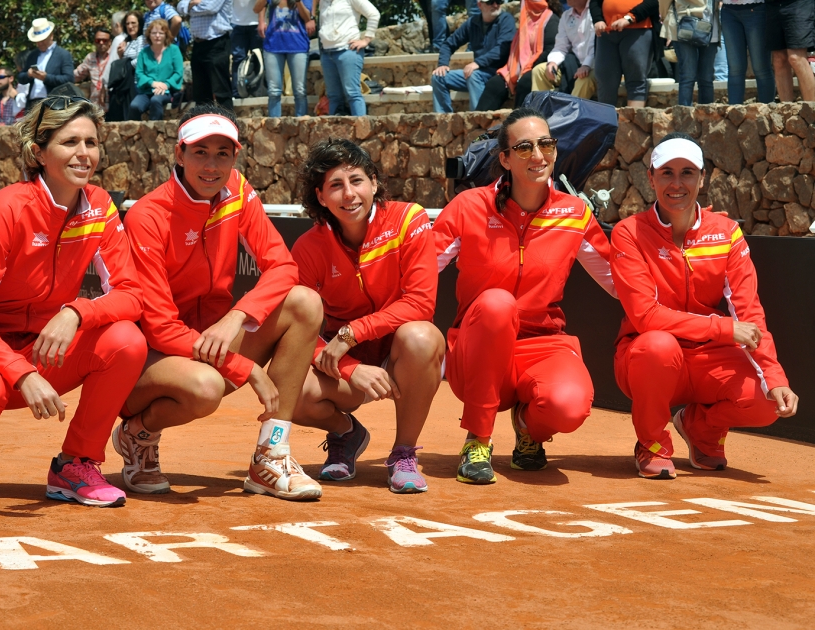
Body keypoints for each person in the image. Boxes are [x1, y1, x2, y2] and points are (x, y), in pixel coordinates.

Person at [0, 96, 147, 509]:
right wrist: (21, 373)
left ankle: (76, 464)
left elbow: (131, 294)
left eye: (91, 143)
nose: (84, 154)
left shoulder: (100, 207)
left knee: (126, 341)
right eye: (70, 142)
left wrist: (77, 311)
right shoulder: (6, 208)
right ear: (39, 152)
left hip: (37, 345)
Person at [118, 103, 324, 500]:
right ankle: (137, 435)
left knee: (304, 303)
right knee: (205, 387)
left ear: (235, 156)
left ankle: (271, 454)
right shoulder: (147, 215)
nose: (211, 166)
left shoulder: (239, 191)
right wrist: (246, 368)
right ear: (179, 154)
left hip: (212, 339)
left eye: (222, 154)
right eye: (200, 152)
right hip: (154, 358)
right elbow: (159, 327)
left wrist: (238, 316)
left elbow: (282, 266)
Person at [432, 108, 614, 483]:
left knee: (570, 406)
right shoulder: (468, 207)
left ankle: (529, 429)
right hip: (478, 349)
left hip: (543, 345)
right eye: (525, 147)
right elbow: (419, 270)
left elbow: (620, 281)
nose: (538, 155)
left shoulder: (575, 213)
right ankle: (477, 439)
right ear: (504, 159)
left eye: (546, 144)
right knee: (497, 303)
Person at [610, 133, 798, 479]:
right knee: (657, 344)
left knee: (767, 402)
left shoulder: (727, 233)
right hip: (651, 358)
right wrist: (723, 328)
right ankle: (651, 443)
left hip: (711, 358)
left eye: (687, 173)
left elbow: (749, 313)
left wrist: (774, 376)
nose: (677, 183)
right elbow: (645, 315)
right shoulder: (628, 232)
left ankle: (701, 428)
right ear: (650, 177)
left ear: (702, 177)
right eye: (666, 173)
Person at [291, 139, 444, 494]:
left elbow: (421, 302)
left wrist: (352, 333)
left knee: (422, 336)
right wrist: (348, 367)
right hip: (346, 362)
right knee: (289, 389)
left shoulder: (410, 218)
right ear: (320, 196)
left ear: (374, 183)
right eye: (335, 185)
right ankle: (345, 433)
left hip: (400, 353)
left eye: (357, 180)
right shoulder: (308, 247)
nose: (349, 194)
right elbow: (295, 329)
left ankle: (404, 454)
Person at [431, 0, 516, 113]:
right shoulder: (473, 22)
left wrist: (478, 63)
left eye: (498, 1)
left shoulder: (506, 20)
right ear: (479, 5)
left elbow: (502, 48)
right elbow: (448, 44)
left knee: (474, 76)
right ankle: (443, 120)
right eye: (490, 2)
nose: (495, 5)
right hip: (479, 72)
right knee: (438, 77)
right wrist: (442, 64)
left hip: (498, 73)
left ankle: (477, 120)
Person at [476, 0, 560, 111]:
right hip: (518, 68)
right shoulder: (525, 21)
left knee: (525, 82)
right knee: (494, 84)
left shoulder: (551, 20)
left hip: (540, 66)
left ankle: (517, 122)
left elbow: (550, 49)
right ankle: (477, 125)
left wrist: (528, 68)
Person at [315, 0, 380, 116]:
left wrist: (366, 39)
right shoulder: (323, 2)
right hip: (327, 52)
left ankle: (361, 131)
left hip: (347, 50)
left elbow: (374, 14)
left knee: (353, 93)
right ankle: (334, 131)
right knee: (333, 96)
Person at [256, 0, 315, 116]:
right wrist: (261, 21)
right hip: (273, 45)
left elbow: (308, 18)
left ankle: (301, 126)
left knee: (300, 91)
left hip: (297, 45)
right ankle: (274, 127)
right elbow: (256, 8)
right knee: (274, 91)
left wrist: (298, 2)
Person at [658, 0, 721, 106]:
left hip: (710, 27)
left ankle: (706, 118)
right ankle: (685, 118)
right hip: (685, 22)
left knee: (706, 77)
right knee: (688, 75)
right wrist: (667, 18)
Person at [591, 0, 653, 107]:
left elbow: (654, 2)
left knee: (636, 77)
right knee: (604, 79)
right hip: (607, 33)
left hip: (638, 29)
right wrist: (598, 20)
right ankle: (607, 122)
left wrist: (629, 18)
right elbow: (594, 2)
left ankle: (633, 121)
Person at [531, 0, 596, 100]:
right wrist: (553, 62)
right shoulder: (566, 16)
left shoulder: (596, 11)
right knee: (539, 71)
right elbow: (561, 46)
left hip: (594, 66)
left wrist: (586, 65)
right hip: (574, 65)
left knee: (584, 80)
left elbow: (595, 45)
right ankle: (541, 111)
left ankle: (569, 113)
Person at [182, 0, 237, 110]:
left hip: (217, 43)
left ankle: (227, 124)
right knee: (200, 94)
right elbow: (180, 7)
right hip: (198, 45)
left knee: (221, 90)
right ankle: (204, 125)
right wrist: (193, 3)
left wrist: (189, 7)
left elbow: (210, 7)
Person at [130, 19, 184, 121]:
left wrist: (166, 84)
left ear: (166, 35)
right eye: (154, 33)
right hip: (147, 90)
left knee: (156, 100)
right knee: (135, 106)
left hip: (167, 91)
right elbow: (139, 74)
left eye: (161, 33)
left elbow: (178, 72)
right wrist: (153, 83)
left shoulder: (174, 50)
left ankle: (155, 130)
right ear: (149, 35)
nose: (157, 36)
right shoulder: (143, 53)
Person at [720, 0, 773, 104]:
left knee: (761, 67)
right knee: (735, 69)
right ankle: (734, 115)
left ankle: (768, 114)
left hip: (756, 8)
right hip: (728, 11)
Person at [18, 18, 76, 109]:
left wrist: (46, 78)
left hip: (54, 103)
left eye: (43, 40)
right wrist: (28, 74)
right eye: (38, 40)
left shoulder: (63, 55)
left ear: (51, 36)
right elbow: (20, 77)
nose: (40, 43)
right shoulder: (33, 55)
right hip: (33, 104)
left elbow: (69, 79)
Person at [767, 0, 815, 103]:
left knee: (796, 58)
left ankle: (812, 112)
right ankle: (786, 113)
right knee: (779, 59)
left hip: (798, 3)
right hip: (771, 5)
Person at [233, 0, 266, 99]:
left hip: (256, 22)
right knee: (238, 59)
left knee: (258, 58)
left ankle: (258, 91)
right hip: (236, 22)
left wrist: (261, 21)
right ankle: (237, 92)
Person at [75, 29, 112, 109]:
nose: (101, 43)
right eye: (98, 40)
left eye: (104, 40)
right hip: (95, 105)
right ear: (94, 42)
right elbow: (77, 75)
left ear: (110, 42)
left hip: (112, 103)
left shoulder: (115, 56)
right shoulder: (90, 57)